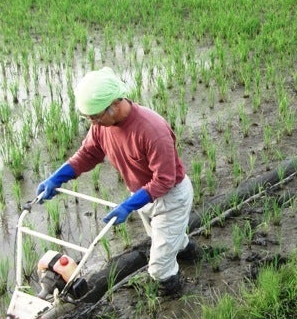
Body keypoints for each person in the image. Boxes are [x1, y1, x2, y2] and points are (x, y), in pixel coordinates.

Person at [37, 67, 196, 296]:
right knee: (166, 240)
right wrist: (57, 178)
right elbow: (88, 154)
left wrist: (128, 206)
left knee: (159, 267)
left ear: (114, 104)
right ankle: (191, 253)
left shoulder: (152, 130)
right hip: (142, 195)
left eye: (95, 116)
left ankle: (173, 298)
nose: (92, 122)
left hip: (170, 198)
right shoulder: (102, 126)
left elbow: (164, 180)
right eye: (88, 117)